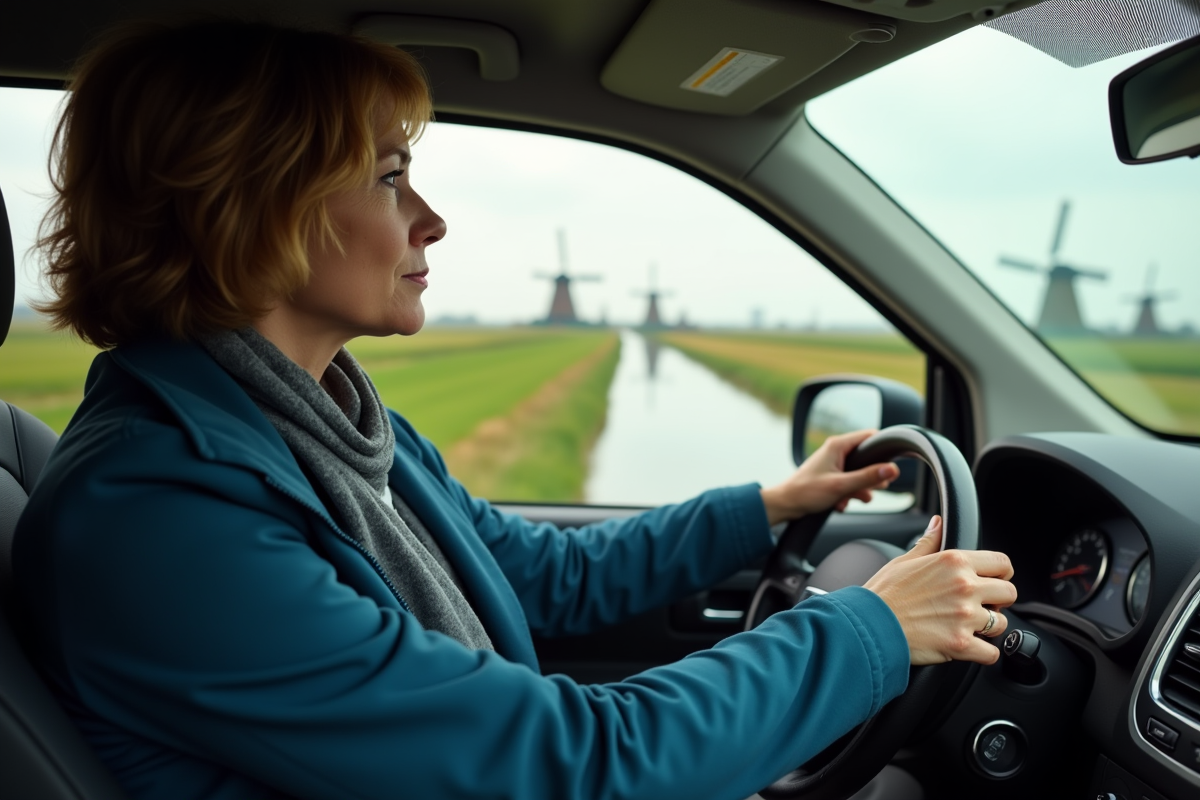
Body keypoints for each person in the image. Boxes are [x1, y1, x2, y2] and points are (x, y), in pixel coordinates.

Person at [13, 18, 1017, 800]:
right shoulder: (164, 516)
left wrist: (770, 503)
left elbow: (540, 572)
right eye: (391, 174)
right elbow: (566, 767)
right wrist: (871, 629)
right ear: (255, 205)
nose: (432, 218)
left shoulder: (328, 427)